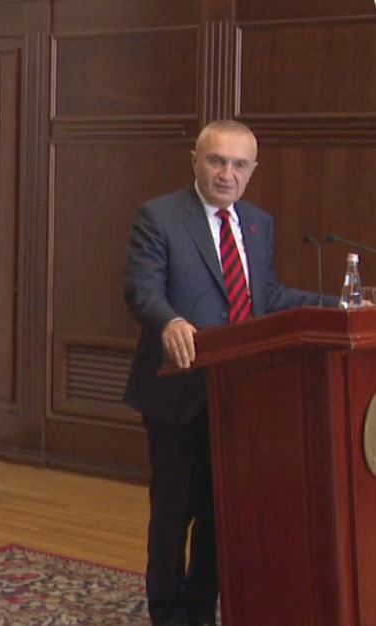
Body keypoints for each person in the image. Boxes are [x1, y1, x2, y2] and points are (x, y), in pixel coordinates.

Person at [122, 119, 329, 626]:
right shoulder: (159, 217)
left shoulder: (257, 223)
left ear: (253, 170)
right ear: (195, 161)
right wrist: (169, 321)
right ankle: (168, 615)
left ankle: (200, 611)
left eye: (239, 164)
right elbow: (142, 289)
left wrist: (339, 306)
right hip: (178, 393)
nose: (226, 174)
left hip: (239, 397)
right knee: (173, 516)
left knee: (221, 515)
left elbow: (267, 297)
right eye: (216, 161)